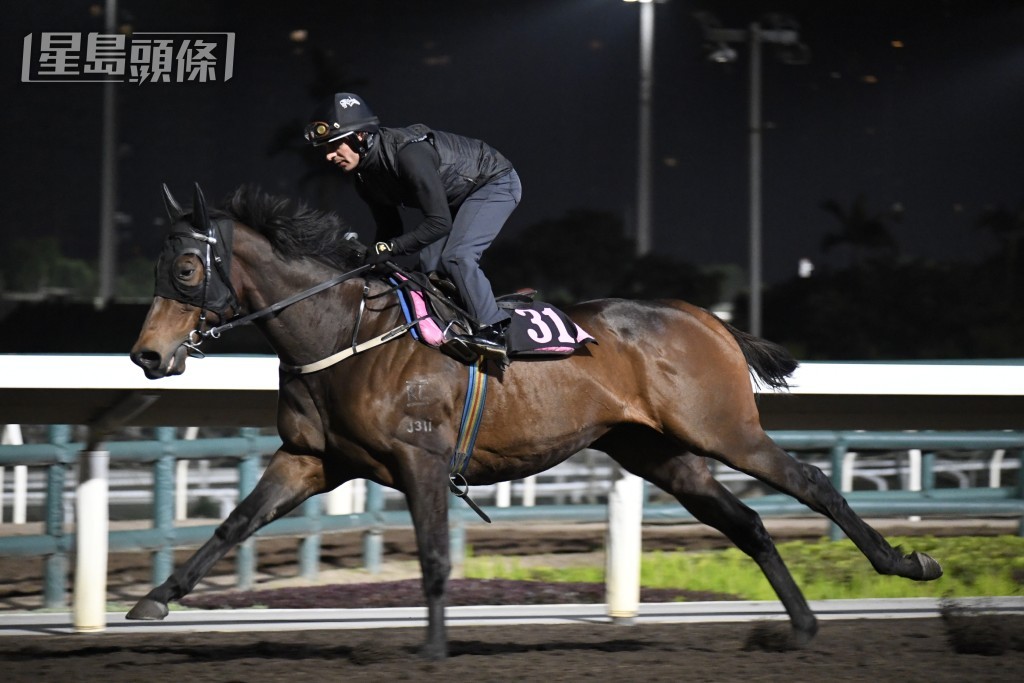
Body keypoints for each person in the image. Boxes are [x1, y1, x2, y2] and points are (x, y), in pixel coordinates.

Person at [304, 92, 522, 360]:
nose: (328, 156)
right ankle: (454, 324)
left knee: (457, 256)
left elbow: (439, 223)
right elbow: (389, 228)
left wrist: (389, 247)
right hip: (454, 198)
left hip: (494, 183)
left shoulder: (409, 155)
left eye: (334, 146)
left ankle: (494, 329)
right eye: (325, 148)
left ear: (359, 136)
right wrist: (371, 261)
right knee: (429, 265)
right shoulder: (364, 179)